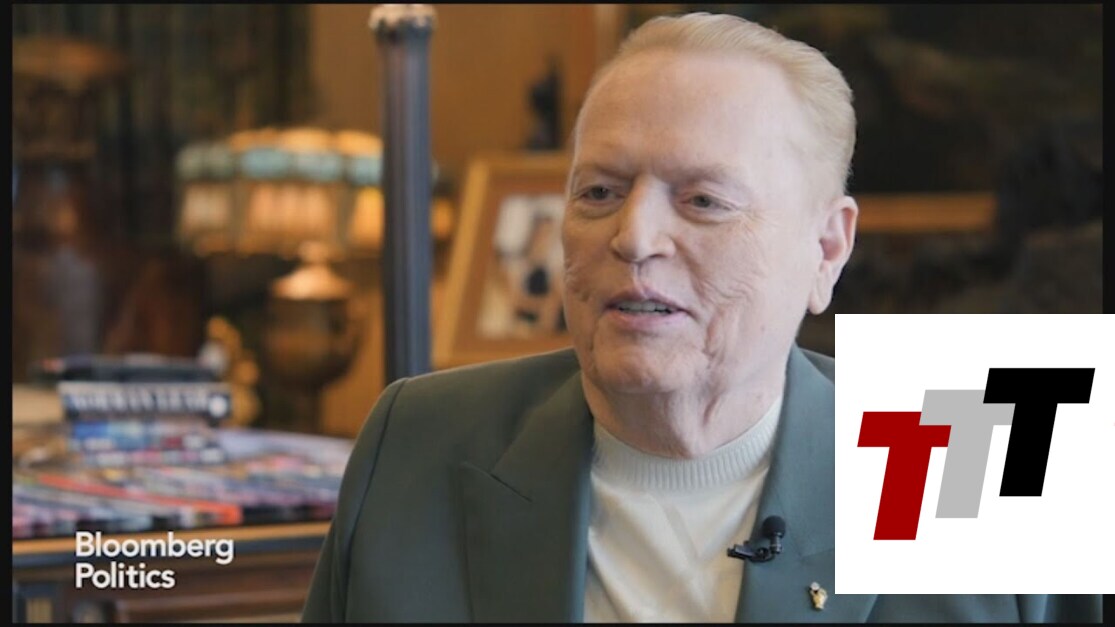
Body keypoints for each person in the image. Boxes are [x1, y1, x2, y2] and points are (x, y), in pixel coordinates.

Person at [302, 13, 1102, 623]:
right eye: (599, 192)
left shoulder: (994, 448)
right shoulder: (418, 441)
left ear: (826, 248)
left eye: (703, 200)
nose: (633, 237)